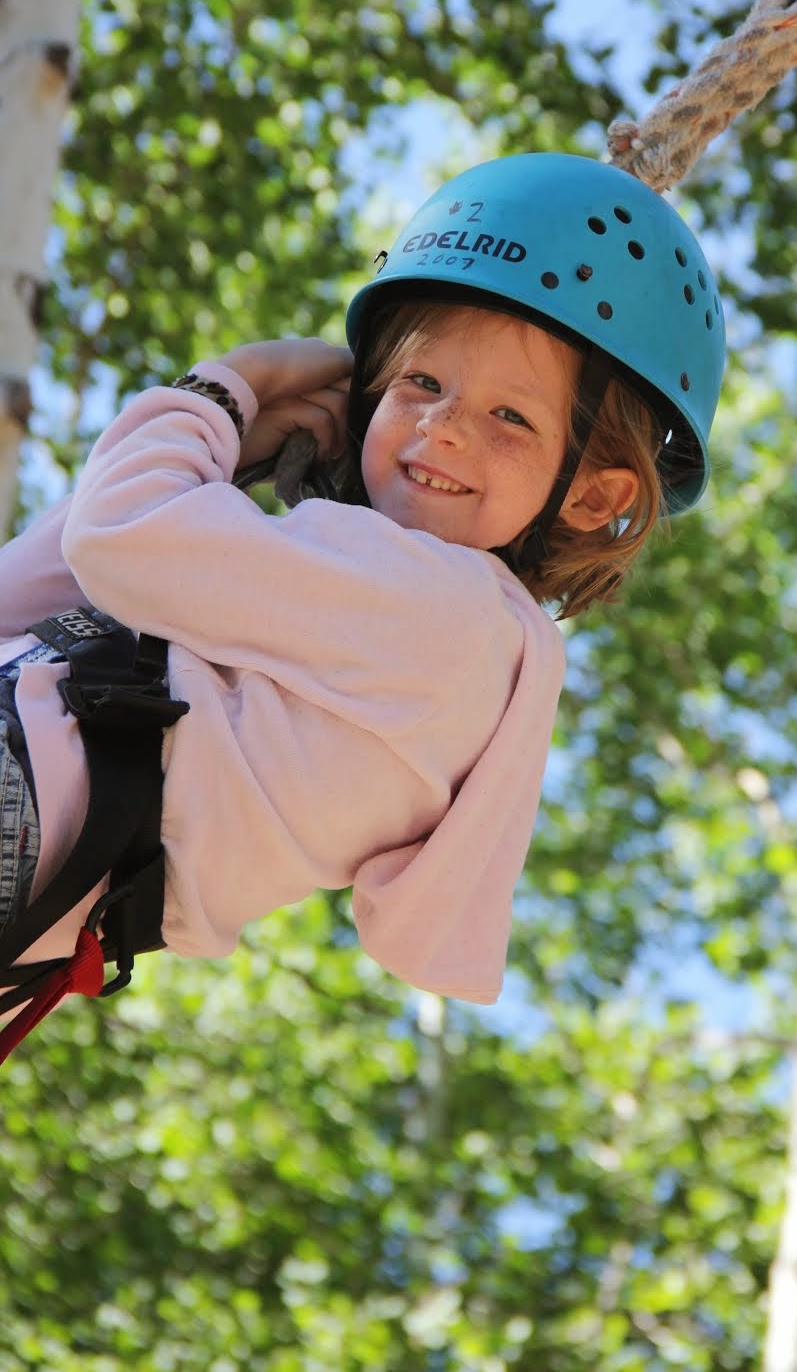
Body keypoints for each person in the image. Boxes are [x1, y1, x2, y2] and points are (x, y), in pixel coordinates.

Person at [0, 152, 726, 1038]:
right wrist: (229, 461)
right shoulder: (348, 594)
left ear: (589, 494)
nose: (444, 426)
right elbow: (28, 598)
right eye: (420, 381)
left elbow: (117, 537)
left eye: (511, 418)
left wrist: (230, 387)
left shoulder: (449, 620)